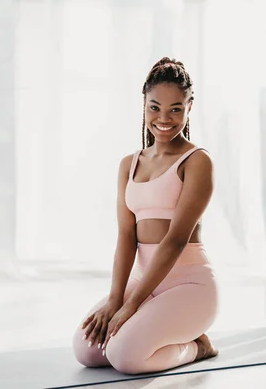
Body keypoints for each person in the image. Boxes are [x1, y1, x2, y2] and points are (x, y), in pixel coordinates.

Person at [72, 57, 219, 375]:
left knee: (126, 357)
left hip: (189, 285)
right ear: (143, 104)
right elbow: (126, 236)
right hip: (146, 283)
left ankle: (197, 346)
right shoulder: (129, 163)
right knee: (88, 350)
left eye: (175, 109)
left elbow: (176, 240)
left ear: (189, 107)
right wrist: (115, 299)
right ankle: (150, 324)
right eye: (155, 107)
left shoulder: (197, 161)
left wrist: (131, 305)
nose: (163, 118)